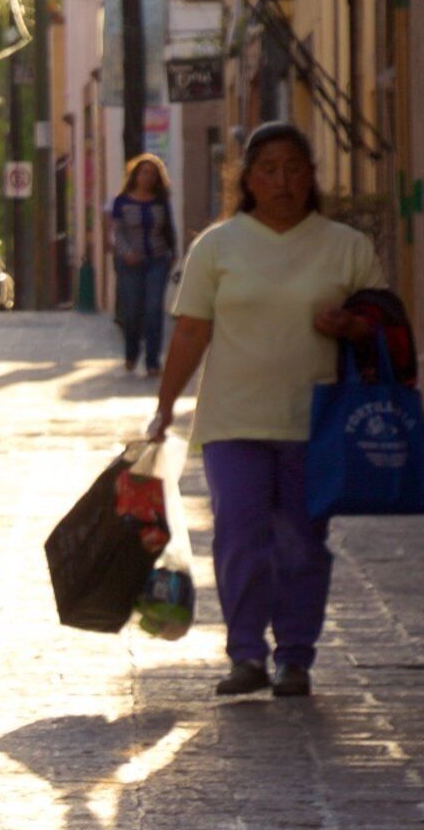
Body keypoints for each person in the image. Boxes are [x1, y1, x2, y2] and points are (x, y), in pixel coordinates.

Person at [146, 124, 380, 698]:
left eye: (295, 168)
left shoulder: (347, 247)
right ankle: (246, 653)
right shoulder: (218, 246)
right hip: (234, 421)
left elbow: (384, 328)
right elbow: (192, 330)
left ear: (312, 176)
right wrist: (165, 406)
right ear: (248, 179)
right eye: (269, 169)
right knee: (239, 535)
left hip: (315, 423)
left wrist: (351, 325)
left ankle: (295, 657)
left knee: (302, 542)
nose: (283, 180)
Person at [105, 153, 178, 372]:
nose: (148, 178)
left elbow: (168, 229)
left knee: (154, 309)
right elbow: (117, 233)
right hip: (130, 263)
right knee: (132, 310)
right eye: (145, 173)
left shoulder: (161, 202)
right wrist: (127, 253)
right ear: (136, 175)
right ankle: (131, 351)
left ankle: (153, 361)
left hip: (157, 260)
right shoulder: (122, 201)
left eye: (153, 174)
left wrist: (173, 253)